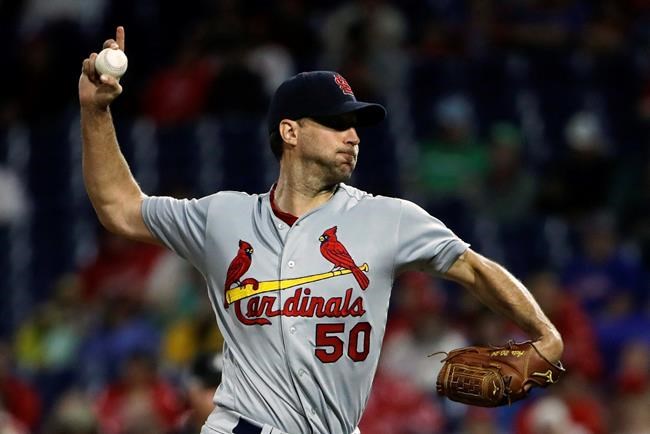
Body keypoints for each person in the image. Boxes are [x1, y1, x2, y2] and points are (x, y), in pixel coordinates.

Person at [79, 26, 563, 434]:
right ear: (290, 132)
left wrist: (544, 333)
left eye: (355, 124)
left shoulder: (389, 218)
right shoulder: (222, 217)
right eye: (335, 122)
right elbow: (120, 208)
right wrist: (97, 112)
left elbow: (475, 270)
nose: (353, 135)